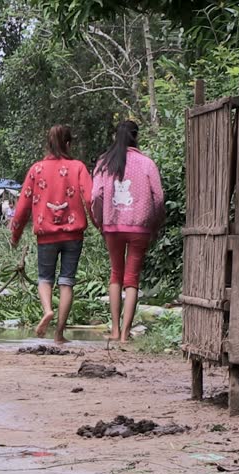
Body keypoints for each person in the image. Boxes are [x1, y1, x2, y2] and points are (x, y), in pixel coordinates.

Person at [10, 125, 95, 343]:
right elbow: (90, 199)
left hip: (46, 235)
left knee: (44, 278)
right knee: (67, 282)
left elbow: (22, 206)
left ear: (48, 144)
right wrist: (98, 224)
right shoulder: (78, 167)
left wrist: (15, 235)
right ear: (68, 144)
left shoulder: (36, 169)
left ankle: (47, 310)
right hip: (73, 235)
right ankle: (59, 333)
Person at [91, 120, 165, 343]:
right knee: (131, 279)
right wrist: (155, 222)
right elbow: (159, 197)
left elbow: (95, 195)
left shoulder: (105, 163)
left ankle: (113, 330)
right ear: (136, 136)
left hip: (112, 226)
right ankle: (125, 334)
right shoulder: (147, 163)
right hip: (139, 226)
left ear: (116, 136)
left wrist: (99, 220)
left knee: (116, 275)